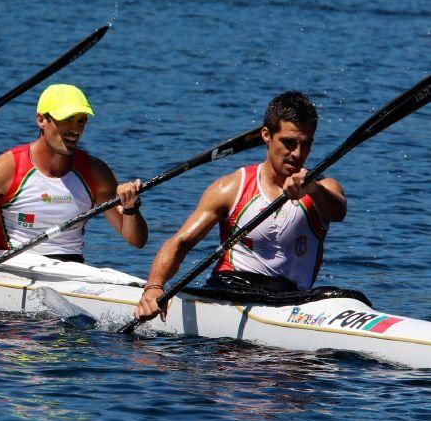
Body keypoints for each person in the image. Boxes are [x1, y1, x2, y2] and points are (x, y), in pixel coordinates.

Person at [135, 91, 347, 322]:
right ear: (266, 135)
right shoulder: (231, 188)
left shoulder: (323, 188)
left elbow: (338, 211)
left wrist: (313, 189)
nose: (297, 154)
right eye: (289, 143)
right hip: (231, 290)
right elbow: (181, 243)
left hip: (290, 300)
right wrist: (154, 287)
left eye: (305, 144)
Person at [0, 84, 148, 292]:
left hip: (70, 272)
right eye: (66, 119)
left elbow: (136, 240)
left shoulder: (96, 172)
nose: (75, 129)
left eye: (81, 121)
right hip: (11, 269)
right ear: (41, 120)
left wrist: (131, 208)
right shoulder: (3, 170)